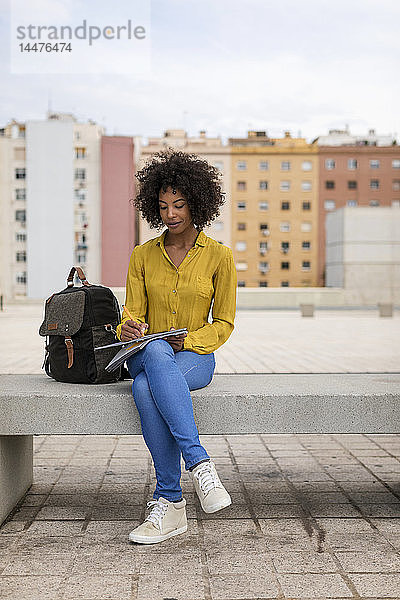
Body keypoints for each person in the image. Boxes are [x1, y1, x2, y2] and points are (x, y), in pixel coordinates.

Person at [116, 149, 237, 544]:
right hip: (148, 355)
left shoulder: (219, 256)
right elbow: (129, 313)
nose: (171, 214)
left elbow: (224, 323)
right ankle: (199, 464)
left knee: (143, 388)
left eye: (179, 205)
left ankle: (169, 503)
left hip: (194, 356)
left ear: (197, 203)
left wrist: (188, 340)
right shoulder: (142, 255)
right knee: (151, 351)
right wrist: (129, 328)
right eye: (163, 206)